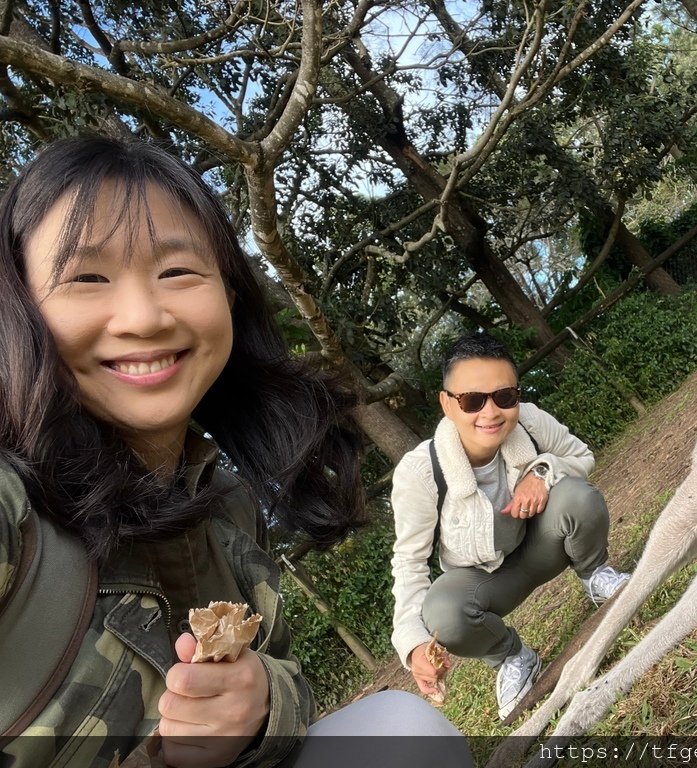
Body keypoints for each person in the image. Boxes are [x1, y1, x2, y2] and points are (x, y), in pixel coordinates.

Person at [0, 136, 471, 768]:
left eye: (178, 272)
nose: (143, 317)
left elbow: (279, 679)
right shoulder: (12, 507)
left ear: (230, 296)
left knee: (402, 732)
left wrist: (260, 703)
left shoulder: (225, 502)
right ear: (20, 309)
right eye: (87, 277)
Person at [390, 333, 631, 719]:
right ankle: (513, 657)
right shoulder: (419, 472)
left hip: (543, 543)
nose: (491, 413)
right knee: (443, 613)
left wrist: (541, 471)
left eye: (504, 397)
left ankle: (596, 574)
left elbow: (581, 457)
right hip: (484, 580)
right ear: (447, 404)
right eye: (472, 400)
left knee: (577, 496)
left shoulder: (531, 421)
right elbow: (409, 563)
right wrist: (413, 643)